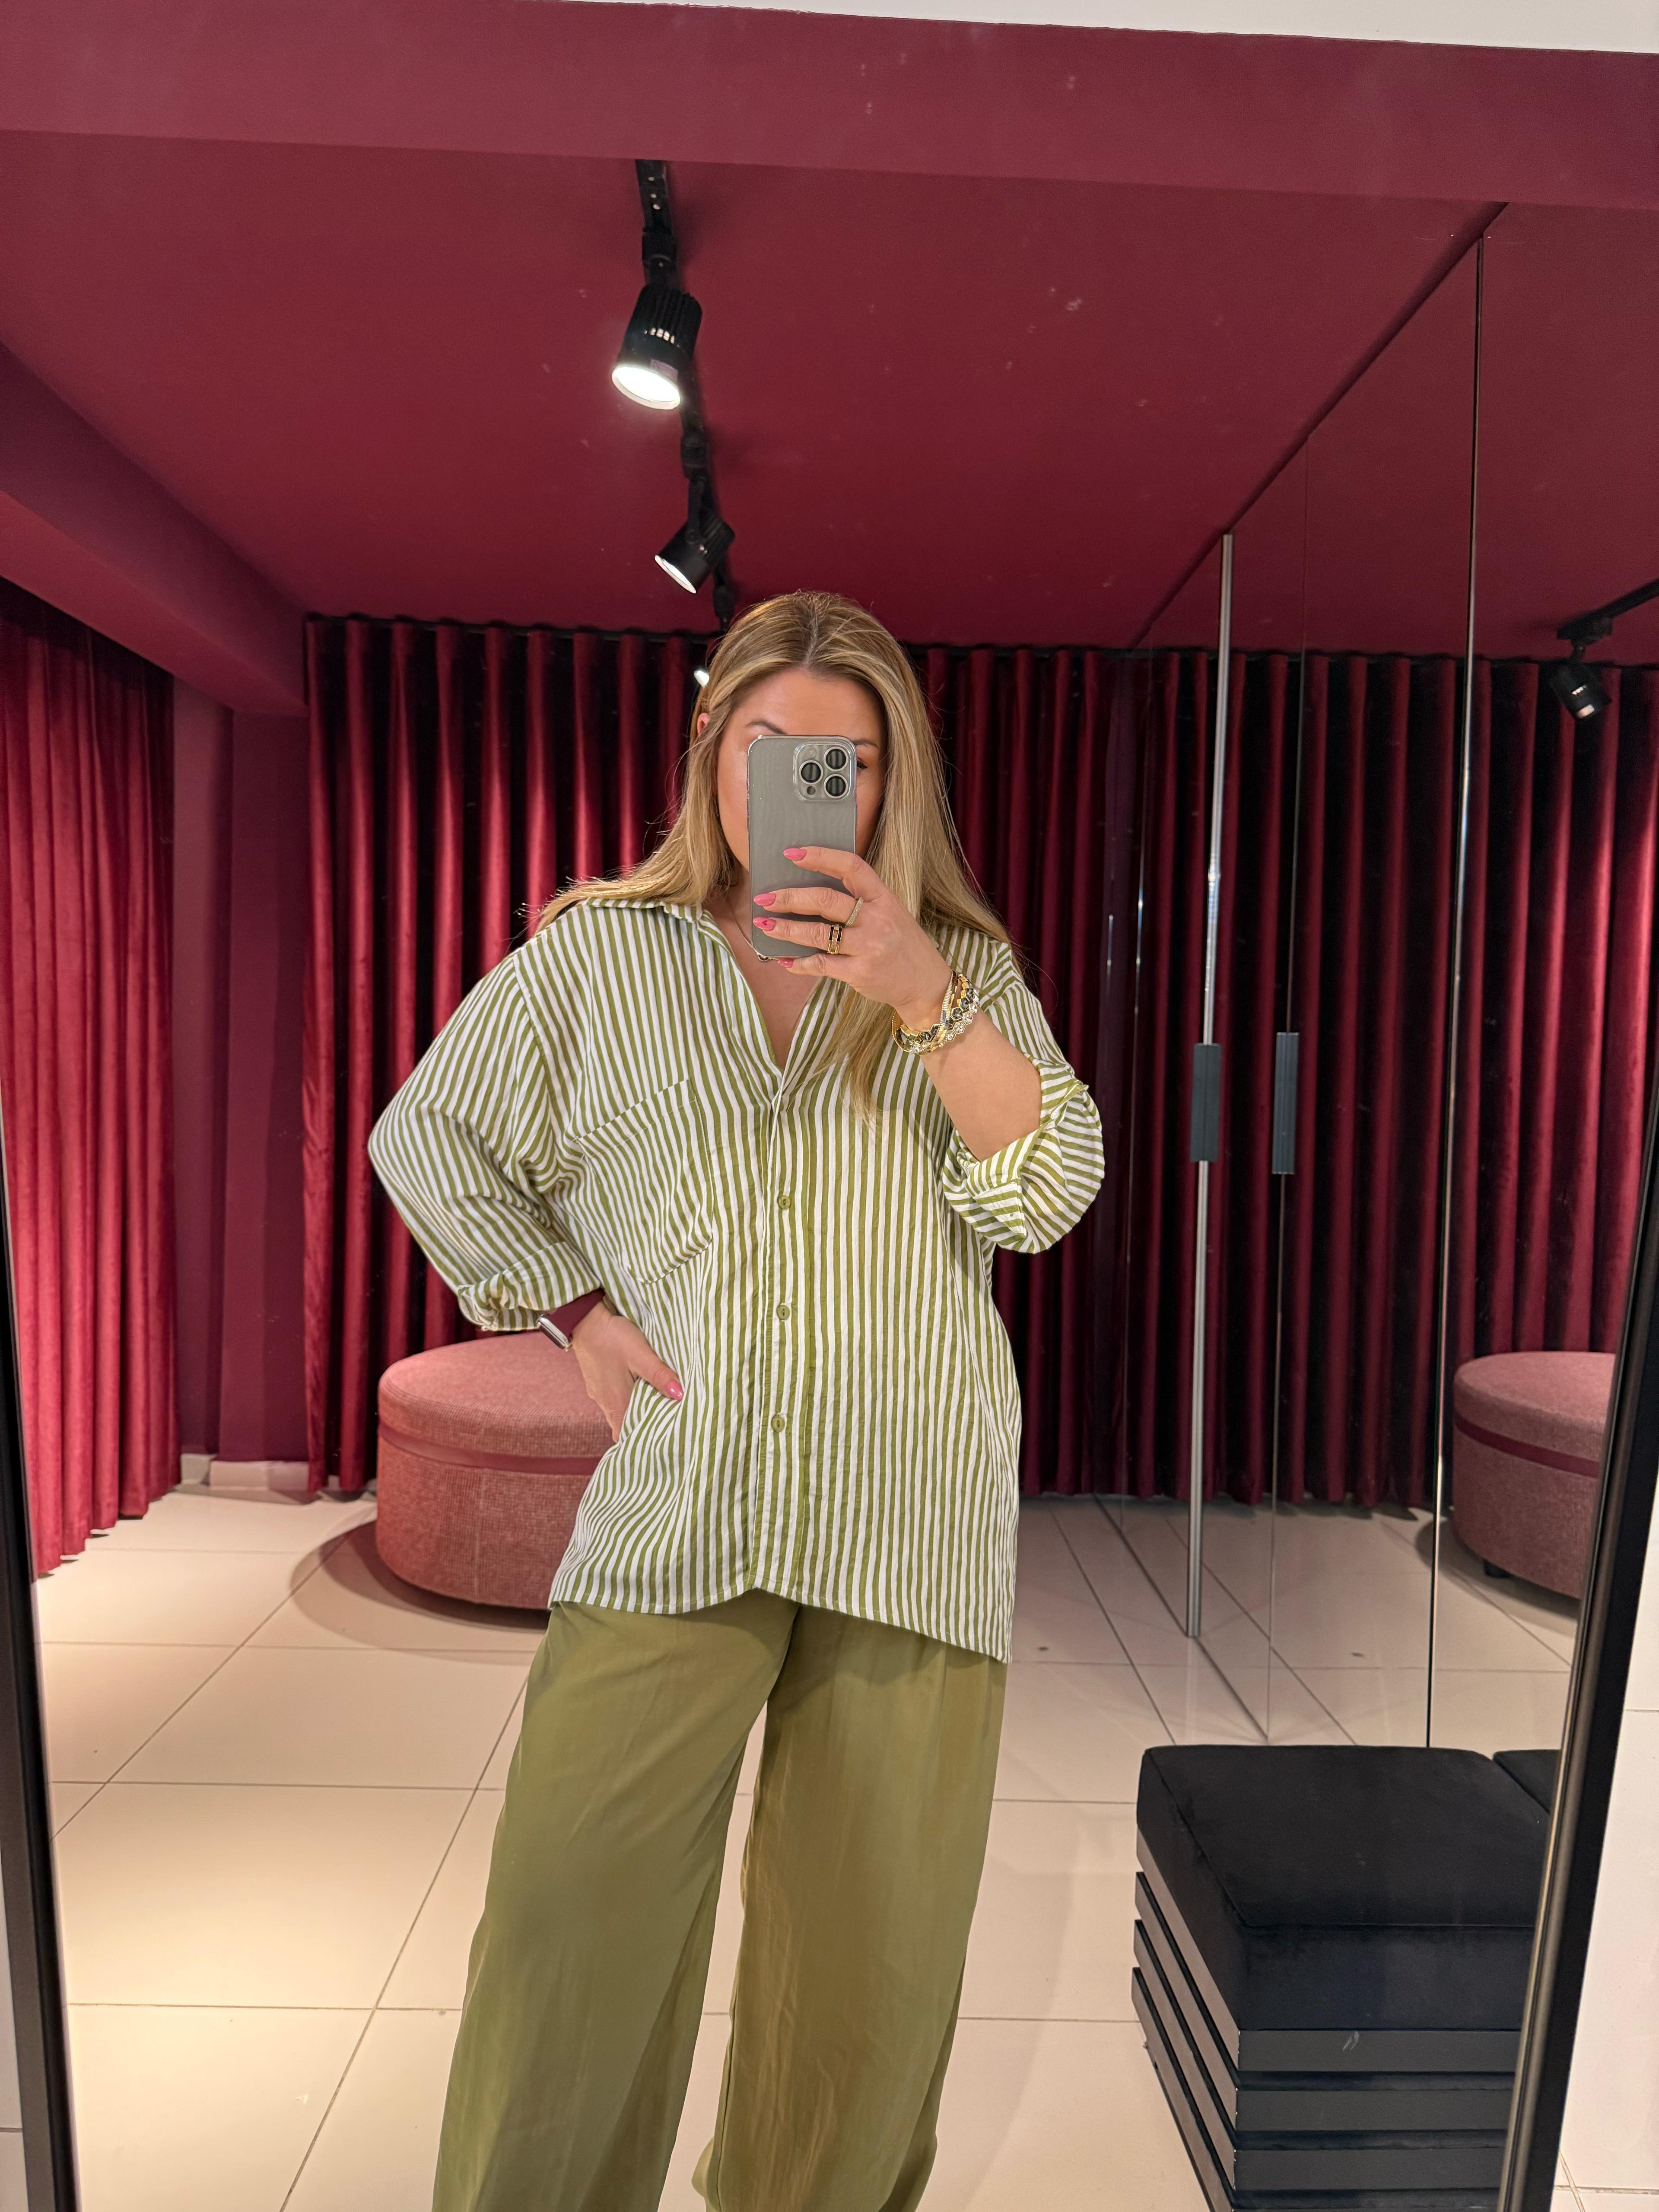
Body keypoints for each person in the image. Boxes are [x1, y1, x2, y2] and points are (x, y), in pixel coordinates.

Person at [368, 590, 1104, 2212]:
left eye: (847, 761)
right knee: (567, 1938)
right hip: (680, 1506)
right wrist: (571, 1308)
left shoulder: (962, 973)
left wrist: (920, 993)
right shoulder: (598, 959)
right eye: (771, 748)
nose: (806, 787)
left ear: (892, 782)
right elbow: (430, 1136)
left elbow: (1050, 1190)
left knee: (866, 1986)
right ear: (714, 758)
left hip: (909, 1522)